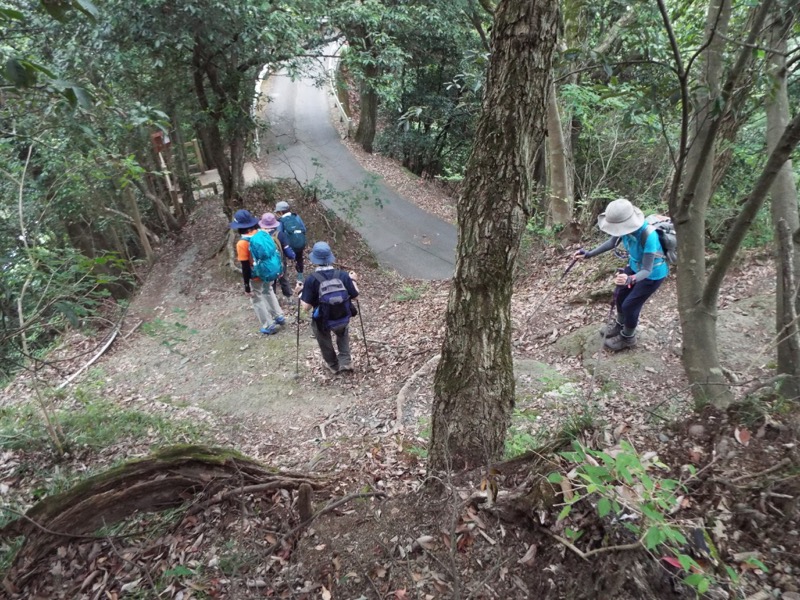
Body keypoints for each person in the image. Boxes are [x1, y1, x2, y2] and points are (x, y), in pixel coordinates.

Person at [575, 198, 668, 351]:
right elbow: (611, 243)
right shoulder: (624, 230)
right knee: (619, 295)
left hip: (652, 275)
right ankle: (619, 325)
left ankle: (628, 337)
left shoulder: (648, 235)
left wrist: (630, 279)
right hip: (633, 266)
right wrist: (589, 254)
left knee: (630, 305)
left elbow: (647, 269)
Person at [296, 241, 359, 375]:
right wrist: (353, 280)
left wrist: (300, 292)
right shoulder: (342, 275)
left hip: (323, 319)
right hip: (342, 315)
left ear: (315, 260)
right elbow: (355, 296)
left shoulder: (311, 279)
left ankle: (333, 365)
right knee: (342, 334)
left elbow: (306, 307)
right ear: (330, 257)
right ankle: (346, 362)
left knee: (323, 338)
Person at [230, 209, 286, 335]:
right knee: (268, 290)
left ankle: (268, 324)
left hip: (256, 275)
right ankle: (279, 315)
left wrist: (246, 287)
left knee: (256, 298)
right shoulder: (262, 233)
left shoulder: (242, 243)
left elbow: (245, 266)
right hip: (270, 270)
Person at [260, 212, 295, 299]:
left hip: (266, 263)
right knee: (283, 278)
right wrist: (292, 256)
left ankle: (273, 298)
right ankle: (288, 296)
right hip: (280, 262)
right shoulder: (280, 235)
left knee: (271, 281)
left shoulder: (259, 236)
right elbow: (287, 251)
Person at [275, 200, 307, 282]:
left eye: (278, 212)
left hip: (288, 245)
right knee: (299, 258)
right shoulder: (296, 217)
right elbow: (304, 229)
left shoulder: (280, 221)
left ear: (281, 212)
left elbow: (280, 235)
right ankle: (300, 276)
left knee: (282, 259)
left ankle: (283, 276)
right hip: (300, 243)